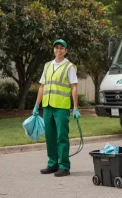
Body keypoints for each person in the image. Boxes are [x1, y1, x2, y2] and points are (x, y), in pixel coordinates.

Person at [32, 39, 81, 177]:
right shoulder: (47, 66)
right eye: (56, 48)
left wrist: (75, 107)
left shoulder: (69, 66)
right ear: (53, 50)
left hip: (61, 107)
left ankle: (64, 166)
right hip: (47, 106)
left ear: (66, 51)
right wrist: (37, 105)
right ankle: (52, 164)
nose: (58, 50)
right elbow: (42, 86)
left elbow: (74, 87)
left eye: (61, 48)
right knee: (50, 137)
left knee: (61, 137)